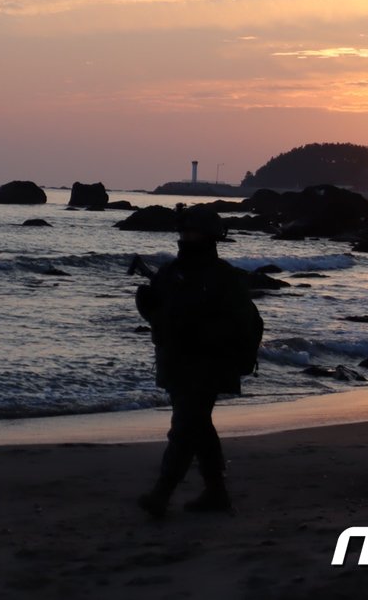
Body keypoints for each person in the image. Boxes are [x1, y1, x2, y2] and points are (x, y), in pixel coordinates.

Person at [134, 206, 262, 517]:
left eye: (193, 232)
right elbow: (161, 318)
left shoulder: (223, 278)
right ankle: (216, 494)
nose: (186, 237)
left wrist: (225, 348)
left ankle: (162, 494)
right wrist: (149, 307)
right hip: (176, 362)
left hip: (208, 364)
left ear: (209, 236)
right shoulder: (171, 273)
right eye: (183, 232)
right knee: (198, 427)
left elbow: (247, 324)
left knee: (184, 428)